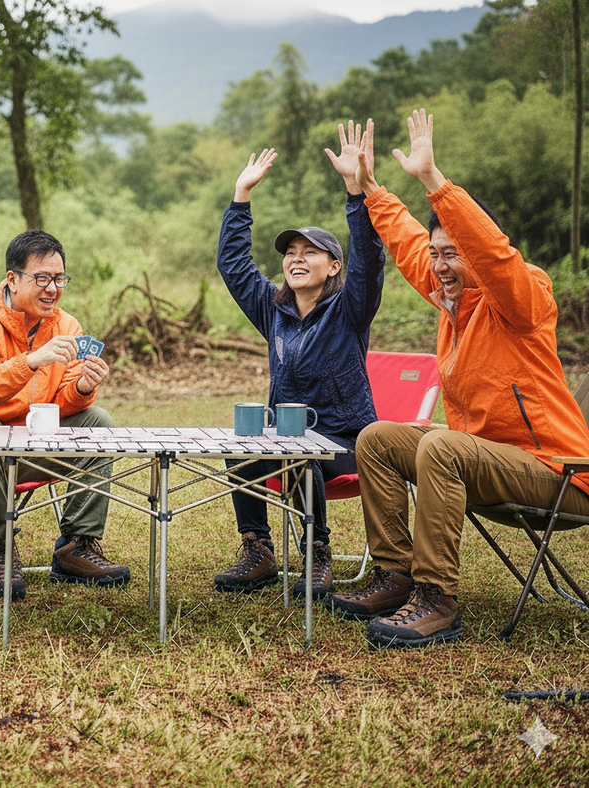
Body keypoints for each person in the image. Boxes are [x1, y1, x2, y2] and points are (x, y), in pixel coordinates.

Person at [328, 109, 589, 648]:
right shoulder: (452, 303)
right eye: (438, 254)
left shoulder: (524, 296)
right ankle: (396, 577)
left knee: (443, 447)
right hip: (485, 457)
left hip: (560, 473)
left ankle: (436, 599)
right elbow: (405, 241)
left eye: (455, 254)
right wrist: (370, 188)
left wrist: (433, 181)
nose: (443, 266)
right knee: (377, 439)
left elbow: (493, 256)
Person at [214, 120, 386, 599]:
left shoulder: (351, 309)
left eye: (310, 252)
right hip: (288, 436)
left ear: (333, 266)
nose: (296, 258)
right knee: (242, 448)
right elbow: (233, 266)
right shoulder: (274, 309)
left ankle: (316, 554)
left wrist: (357, 193)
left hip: (346, 440)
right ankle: (259, 550)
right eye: (290, 251)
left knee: (301, 460)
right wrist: (241, 197)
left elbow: (370, 259)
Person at [0, 229, 130, 600]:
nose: (52, 288)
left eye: (59, 278)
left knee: (98, 420)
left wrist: (83, 388)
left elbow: (60, 403)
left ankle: (76, 546)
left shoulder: (67, 326)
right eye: (41, 279)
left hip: (25, 443)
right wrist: (30, 361)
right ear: (12, 279)